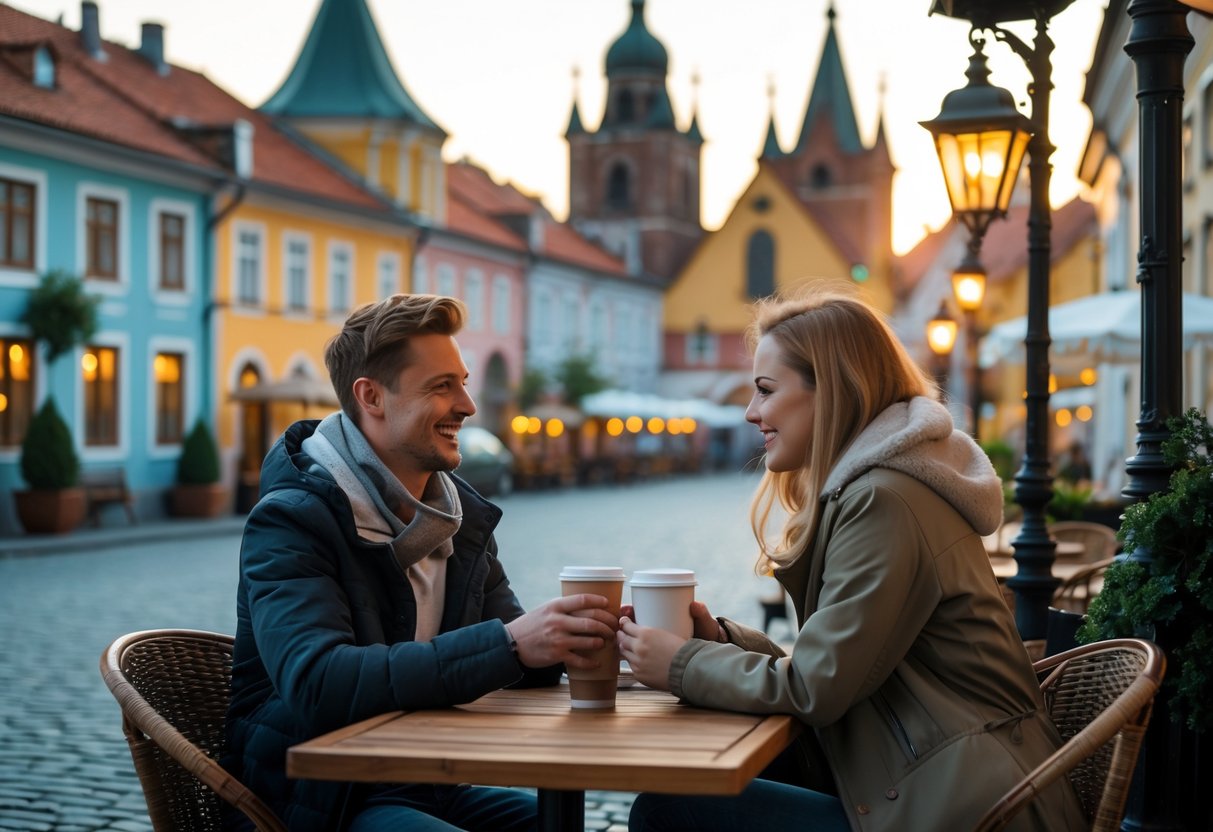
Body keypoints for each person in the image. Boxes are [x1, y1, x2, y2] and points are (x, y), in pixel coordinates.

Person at [618, 286, 1086, 832]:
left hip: (964, 807)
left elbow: (817, 689)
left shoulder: (883, 500)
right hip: (925, 778)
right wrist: (722, 645)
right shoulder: (886, 487)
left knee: (670, 809)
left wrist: (681, 665)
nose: (751, 412)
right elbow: (836, 667)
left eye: (766, 391)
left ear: (832, 391)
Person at [223, 294, 617, 832]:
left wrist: (581, 635)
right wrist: (513, 643)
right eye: (442, 386)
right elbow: (317, 682)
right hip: (323, 800)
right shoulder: (292, 520)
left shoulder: (457, 518)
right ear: (372, 397)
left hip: (430, 781)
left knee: (556, 824)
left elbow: (510, 650)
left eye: (463, 381)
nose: (468, 405)